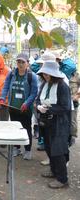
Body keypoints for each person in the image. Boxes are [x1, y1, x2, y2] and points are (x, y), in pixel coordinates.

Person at [36, 58, 71, 189]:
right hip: (46, 121)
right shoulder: (44, 84)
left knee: (58, 150)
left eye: (47, 73)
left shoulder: (62, 86)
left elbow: (65, 107)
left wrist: (49, 109)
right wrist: (39, 106)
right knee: (49, 147)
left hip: (59, 123)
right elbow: (38, 99)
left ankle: (62, 179)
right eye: (44, 74)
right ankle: (54, 171)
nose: (45, 76)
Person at [0, 53, 38, 159]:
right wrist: (3, 97)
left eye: (23, 62)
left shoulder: (32, 76)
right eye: (18, 62)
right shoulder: (12, 74)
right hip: (13, 107)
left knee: (26, 128)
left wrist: (27, 103)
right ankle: (16, 148)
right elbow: (6, 86)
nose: (20, 64)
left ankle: (28, 150)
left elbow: (34, 93)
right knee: (15, 128)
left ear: (27, 63)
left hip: (25, 108)